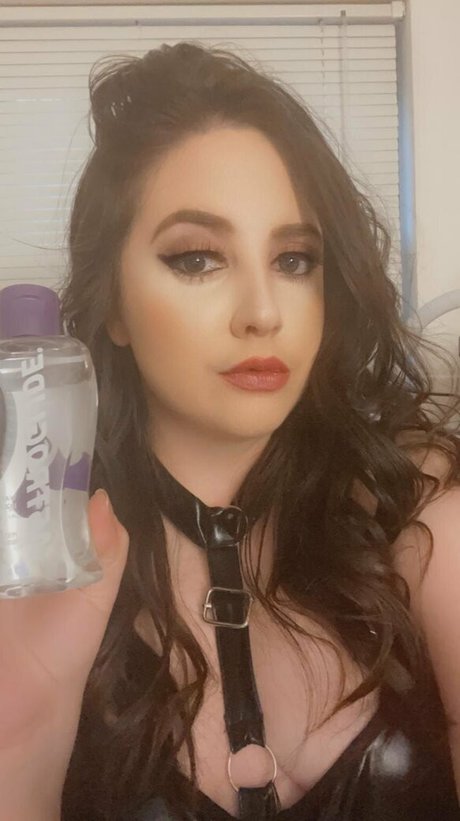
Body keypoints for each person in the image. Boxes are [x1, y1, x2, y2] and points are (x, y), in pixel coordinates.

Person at [1, 41, 460, 821]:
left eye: (295, 259)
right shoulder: (42, 564)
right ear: (113, 304)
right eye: (196, 259)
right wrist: (23, 733)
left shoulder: (417, 519)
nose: (263, 311)